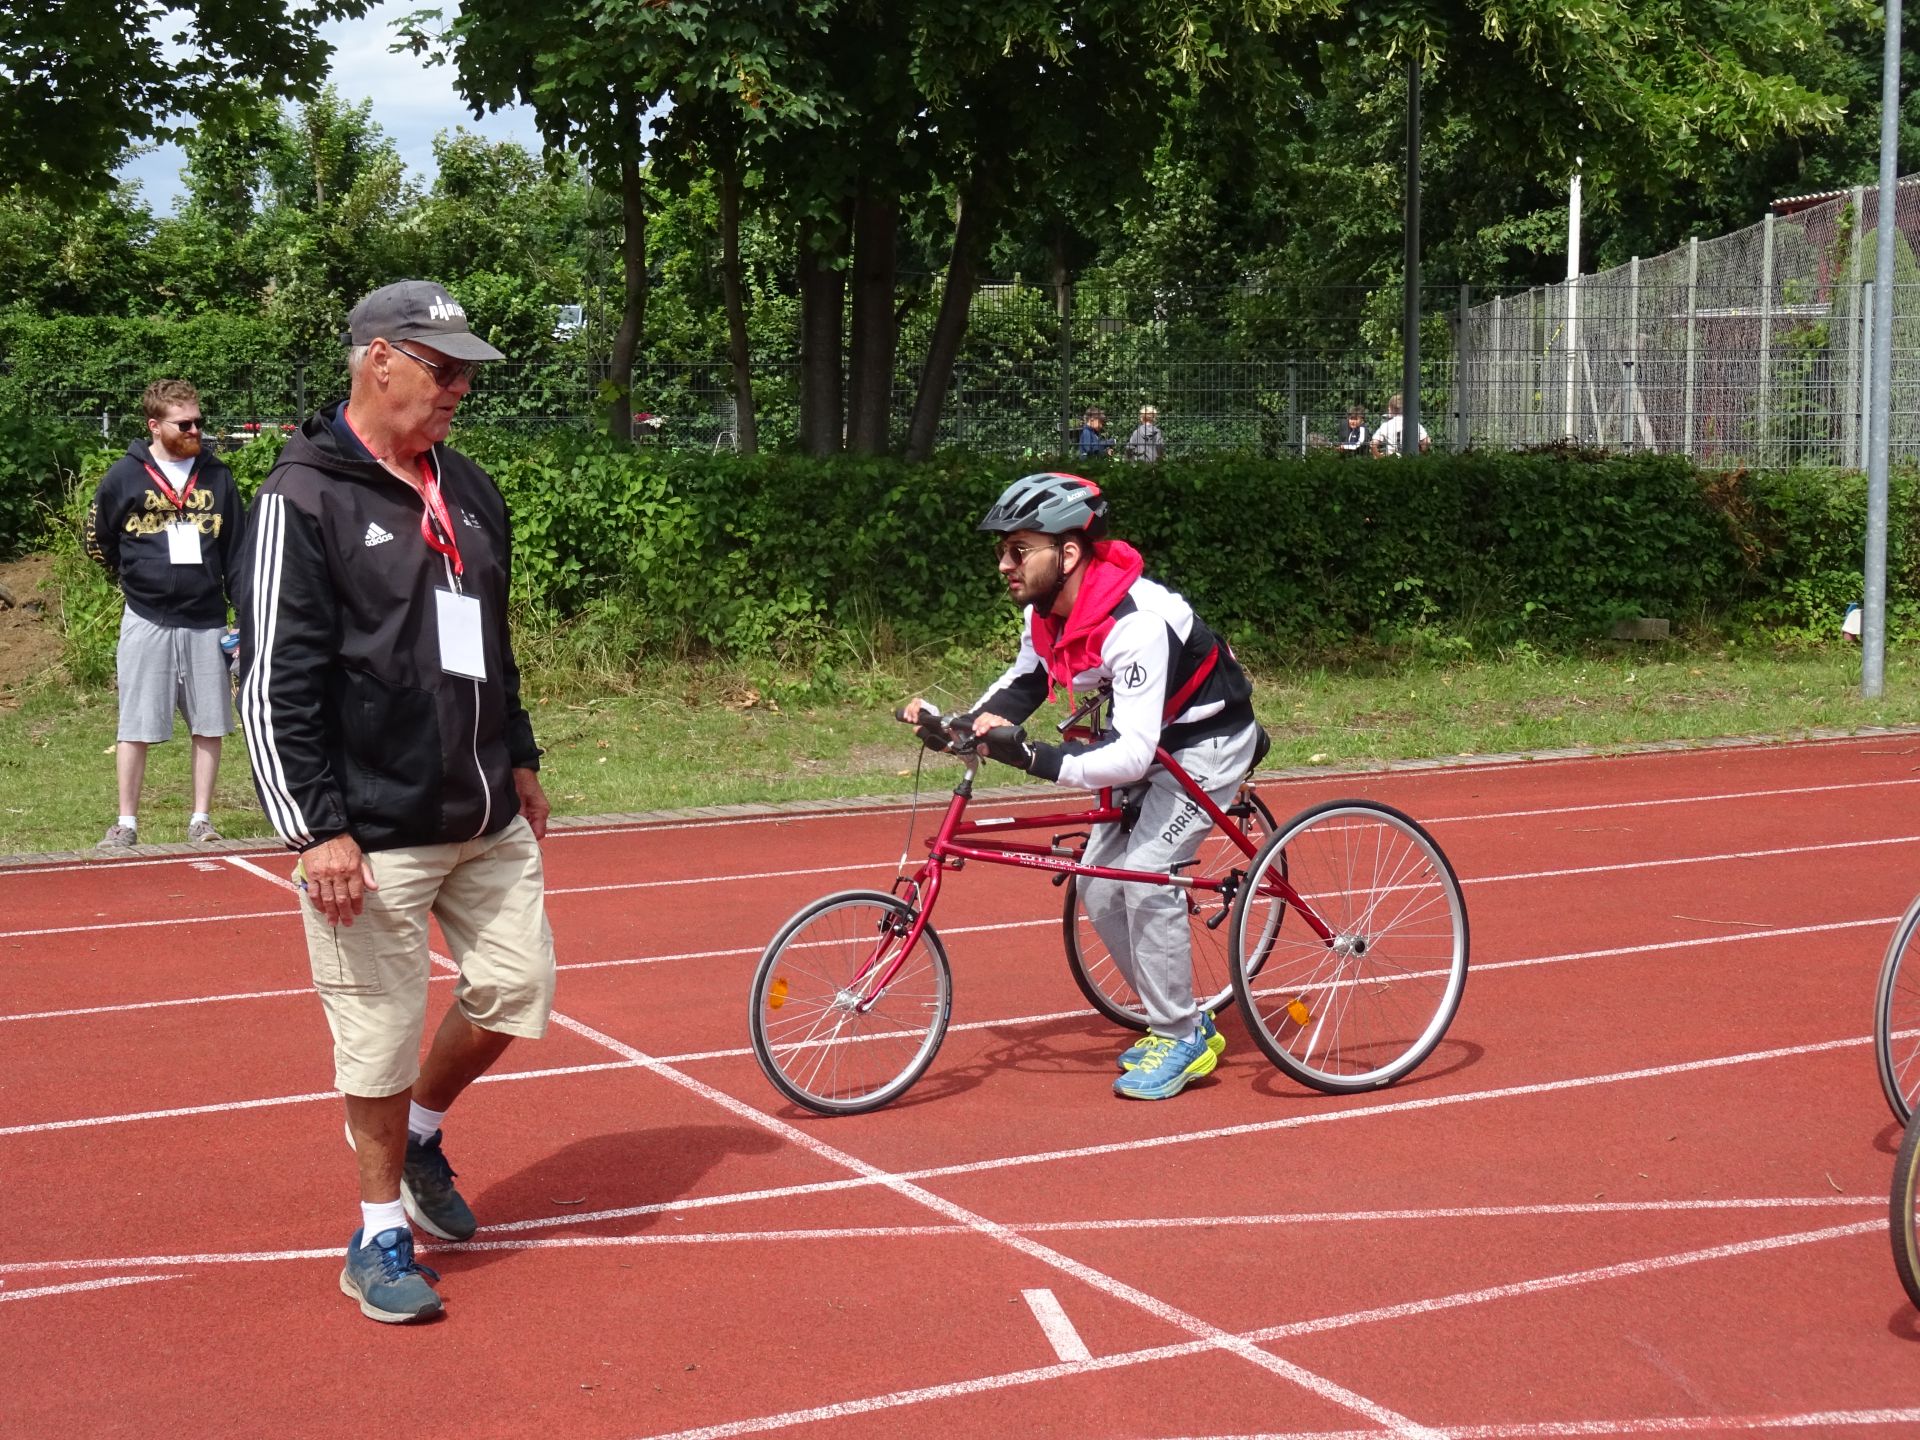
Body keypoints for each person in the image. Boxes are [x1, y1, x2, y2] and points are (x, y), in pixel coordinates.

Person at [234, 280, 556, 1325]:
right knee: (373, 1033)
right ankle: (376, 1236)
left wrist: (521, 753)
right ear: (379, 360)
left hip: (483, 813)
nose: (461, 388)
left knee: (516, 991)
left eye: (467, 371)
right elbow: (275, 679)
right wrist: (317, 826)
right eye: (443, 367)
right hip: (368, 833)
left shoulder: (466, 486)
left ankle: (420, 1134)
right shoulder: (301, 497)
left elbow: (490, 640)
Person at [903, 472, 1264, 1101]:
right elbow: (1025, 684)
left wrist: (1035, 757)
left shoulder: (1137, 623)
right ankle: (1180, 1015)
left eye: (1019, 550)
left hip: (1206, 743)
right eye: (1001, 551)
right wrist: (960, 726)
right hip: (1151, 744)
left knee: (1148, 874)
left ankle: (1181, 1036)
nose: (1004, 565)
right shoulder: (1045, 614)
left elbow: (1129, 755)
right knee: (1099, 885)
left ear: (1068, 553)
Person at [84, 379, 245, 849]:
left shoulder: (218, 476)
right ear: (155, 426)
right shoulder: (125, 476)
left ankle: (201, 820)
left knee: (209, 721)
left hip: (206, 616)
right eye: (185, 423)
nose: (196, 429)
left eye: (199, 421)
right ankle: (126, 823)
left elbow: (236, 550)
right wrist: (135, 574)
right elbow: (99, 539)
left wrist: (241, 613)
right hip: (146, 616)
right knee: (135, 723)